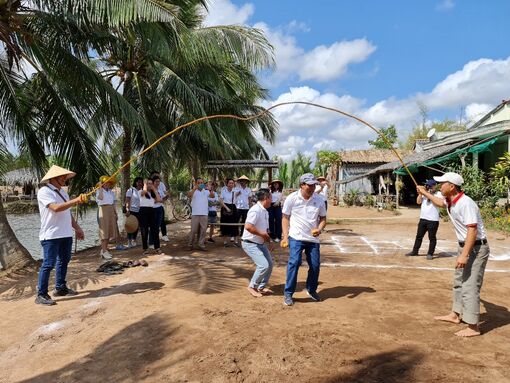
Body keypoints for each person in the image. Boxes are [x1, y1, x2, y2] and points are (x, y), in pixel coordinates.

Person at [417, 172, 490, 337]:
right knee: (459, 281)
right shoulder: (451, 200)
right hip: (465, 246)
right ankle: (455, 314)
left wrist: (464, 255)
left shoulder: (466, 203)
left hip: (476, 248)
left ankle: (473, 327)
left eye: (442, 183)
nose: (439, 186)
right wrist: (424, 192)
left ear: (452, 186)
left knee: (470, 286)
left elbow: (472, 230)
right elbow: (440, 203)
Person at [36, 165, 87, 305]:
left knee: (64, 260)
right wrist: (76, 200)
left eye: (65, 176)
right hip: (51, 235)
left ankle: (60, 287)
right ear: (53, 178)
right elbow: (56, 208)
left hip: (65, 233)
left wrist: (77, 228)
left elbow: (67, 213)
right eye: (61, 176)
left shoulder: (64, 193)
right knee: (48, 264)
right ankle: (41, 294)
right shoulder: (44, 191)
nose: (64, 179)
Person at [282, 173, 327, 306]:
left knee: (315, 265)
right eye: (310, 185)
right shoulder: (292, 198)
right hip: (296, 237)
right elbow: (285, 217)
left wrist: (319, 229)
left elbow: (323, 219)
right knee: (294, 263)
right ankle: (288, 293)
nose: (313, 187)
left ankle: (311, 289)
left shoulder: (319, 200)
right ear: (302, 185)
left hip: (312, 239)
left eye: (314, 185)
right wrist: (285, 236)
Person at [241, 189, 274, 297]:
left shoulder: (265, 211)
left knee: (269, 265)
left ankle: (261, 287)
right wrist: (263, 235)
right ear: (266, 198)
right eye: (271, 198)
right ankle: (252, 286)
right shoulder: (255, 210)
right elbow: (248, 227)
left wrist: (270, 240)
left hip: (259, 243)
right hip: (250, 243)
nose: (272, 200)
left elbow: (266, 230)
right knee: (263, 265)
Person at [406, 179, 443, 260]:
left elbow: (438, 203)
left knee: (432, 237)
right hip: (423, 218)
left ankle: (430, 253)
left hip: (433, 220)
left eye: (430, 186)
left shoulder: (438, 194)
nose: (428, 187)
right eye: (427, 186)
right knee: (419, 236)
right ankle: (415, 251)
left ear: (434, 186)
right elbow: (418, 202)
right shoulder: (424, 193)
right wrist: (420, 193)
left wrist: (428, 194)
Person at [96, 176, 126, 260]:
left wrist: (115, 213)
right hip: (103, 210)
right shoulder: (98, 191)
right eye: (105, 183)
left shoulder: (111, 192)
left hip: (110, 211)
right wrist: (100, 188)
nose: (107, 184)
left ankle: (104, 250)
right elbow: (100, 198)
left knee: (109, 231)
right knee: (104, 231)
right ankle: (104, 251)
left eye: (108, 183)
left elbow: (113, 203)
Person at [139, 178, 162, 255]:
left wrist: (154, 189)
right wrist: (145, 185)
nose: (149, 185)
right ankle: (145, 249)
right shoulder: (141, 192)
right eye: (148, 183)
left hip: (152, 211)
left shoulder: (153, 193)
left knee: (155, 230)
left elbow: (159, 199)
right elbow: (144, 192)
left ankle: (157, 247)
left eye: (151, 183)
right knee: (144, 231)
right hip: (143, 211)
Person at [188, 177, 210, 250]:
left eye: (201, 183)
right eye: (198, 183)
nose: (200, 184)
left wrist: (210, 188)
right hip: (195, 213)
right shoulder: (193, 191)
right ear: (196, 183)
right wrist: (195, 188)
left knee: (203, 230)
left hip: (204, 213)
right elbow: (189, 195)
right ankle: (190, 244)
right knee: (193, 230)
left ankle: (201, 244)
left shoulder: (206, 191)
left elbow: (212, 195)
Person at [150, 170, 170, 242]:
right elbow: (154, 200)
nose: (158, 182)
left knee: (161, 222)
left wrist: (166, 196)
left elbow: (163, 195)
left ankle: (163, 236)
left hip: (160, 207)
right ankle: (152, 241)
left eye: (158, 179)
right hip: (153, 209)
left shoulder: (160, 186)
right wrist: (160, 200)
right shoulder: (149, 187)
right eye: (156, 180)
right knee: (154, 225)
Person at [220, 178, 239, 247]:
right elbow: (221, 201)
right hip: (225, 208)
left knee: (235, 224)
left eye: (232, 183)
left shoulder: (235, 190)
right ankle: (225, 242)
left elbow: (240, 189)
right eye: (230, 183)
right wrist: (226, 208)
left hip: (233, 207)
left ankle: (236, 241)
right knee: (225, 224)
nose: (231, 184)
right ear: (227, 184)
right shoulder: (223, 191)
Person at [125, 177, 143, 248]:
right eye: (138, 182)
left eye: (141, 182)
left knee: (136, 226)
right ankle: (129, 241)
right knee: (130, 226)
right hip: (132, 211)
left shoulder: (142, 191)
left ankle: (134, 240)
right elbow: (127, 201)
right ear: (135, 182)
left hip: (140, 211)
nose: (140, 184)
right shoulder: (131, 190)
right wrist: (127, 210)